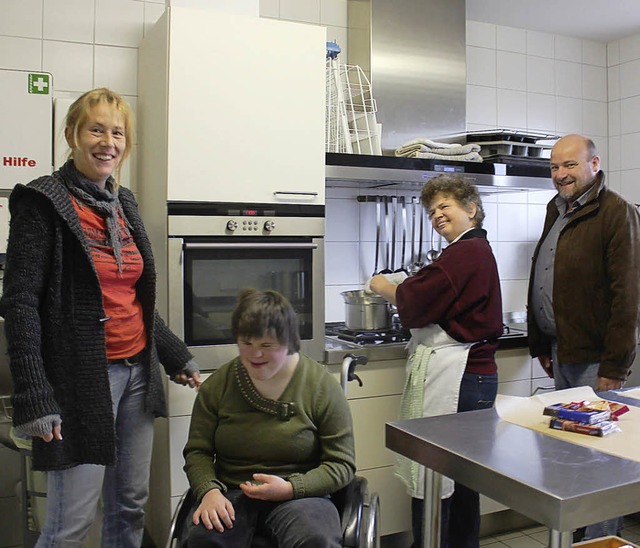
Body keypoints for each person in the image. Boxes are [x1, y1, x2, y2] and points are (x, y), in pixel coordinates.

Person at [0, 87, 202, 547]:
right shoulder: (42, 203)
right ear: (71, 134)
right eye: (96, 128)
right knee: (70, 523)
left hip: (137, 375)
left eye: (117, 132)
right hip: (78, 382)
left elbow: (133, 297)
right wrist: (35, 396)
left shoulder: (123, 203)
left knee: (129, 509)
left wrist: (174, 355)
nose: (107, 141)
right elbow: (20, 303)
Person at [369, 175, 503, 548]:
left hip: (462, 378)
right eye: (432, 211)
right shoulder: (467, 252)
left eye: (445, 206)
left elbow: (415, 299)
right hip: (472, 378)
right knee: (462, 478)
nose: (436, 215)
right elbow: (430, 290)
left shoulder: (465, 252)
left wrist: (382, 286)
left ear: (471, 208)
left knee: (438, 472)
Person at [527, 133, 640, 541]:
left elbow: (628, 296)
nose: (560, 174)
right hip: (562, 352)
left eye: (570, 165)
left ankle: (601, 542)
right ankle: (578, 541)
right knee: (570, 459)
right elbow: (546, 275)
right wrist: (541, 343)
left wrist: (614, 367)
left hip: (596, 360)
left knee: (602, 463)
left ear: (594, 164)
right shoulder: (555, 210)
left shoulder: (616, 213)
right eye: (555, 167)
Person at [183, 288, 356, 547]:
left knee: (315, 539)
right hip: (230, 492)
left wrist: (291, 488)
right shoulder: (218, 385)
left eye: (266, 345)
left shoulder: (320, 386)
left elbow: (342, 465)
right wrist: (209, 491)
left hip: (301, 496)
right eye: (246, 343)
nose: (255, 355)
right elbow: (198, 452)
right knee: (203, 539)